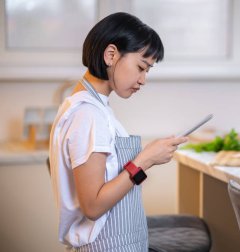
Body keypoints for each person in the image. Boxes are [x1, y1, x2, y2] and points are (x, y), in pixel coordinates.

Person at [49, 12, 188, 251]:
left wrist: (146, 160)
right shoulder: (88, 115)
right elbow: (92, 206)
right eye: (141, 67)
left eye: (148, 71)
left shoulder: (92, 108)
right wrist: (144, 160)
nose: (143, 80)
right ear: (111, 54)